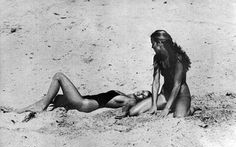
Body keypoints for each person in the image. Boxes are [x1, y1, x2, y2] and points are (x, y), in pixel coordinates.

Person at [13, 72, 152, 119]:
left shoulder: (130, 100)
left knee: (58, 76)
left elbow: (130, 107)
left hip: (84, 104)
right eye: (143, 90)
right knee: (56, 98)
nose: (140, 93)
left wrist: (124, 114)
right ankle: (23, 110)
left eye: (143, 96)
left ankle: (41, 106)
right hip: (84, 100)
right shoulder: (123, 94)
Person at [126, 30, 195, 118]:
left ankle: (191, 109)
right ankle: (172, 106)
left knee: (179, 116)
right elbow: (155, 82)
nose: (152, 46)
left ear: (160, 43)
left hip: (181, 95)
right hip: (165, 94)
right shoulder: (157, 58)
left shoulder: (178, 59)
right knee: (133, 112)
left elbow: (177, 85)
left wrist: (166, 108)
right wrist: (154, 105)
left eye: (153, 43)